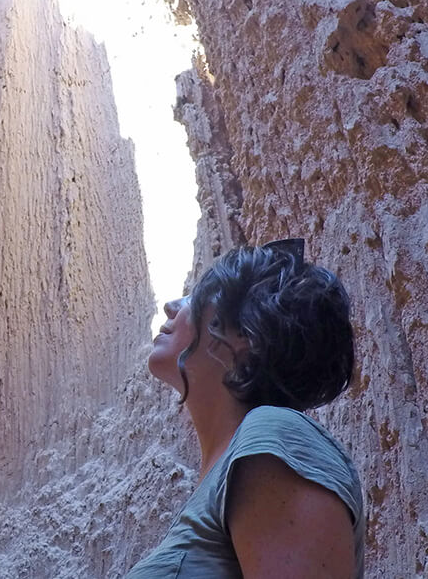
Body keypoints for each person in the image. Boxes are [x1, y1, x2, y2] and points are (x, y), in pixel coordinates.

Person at [125, 239, 364, 579]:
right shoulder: (231, 468)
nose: (170, 306)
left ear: (245, 333)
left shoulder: (274, 437)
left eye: (196, 295)